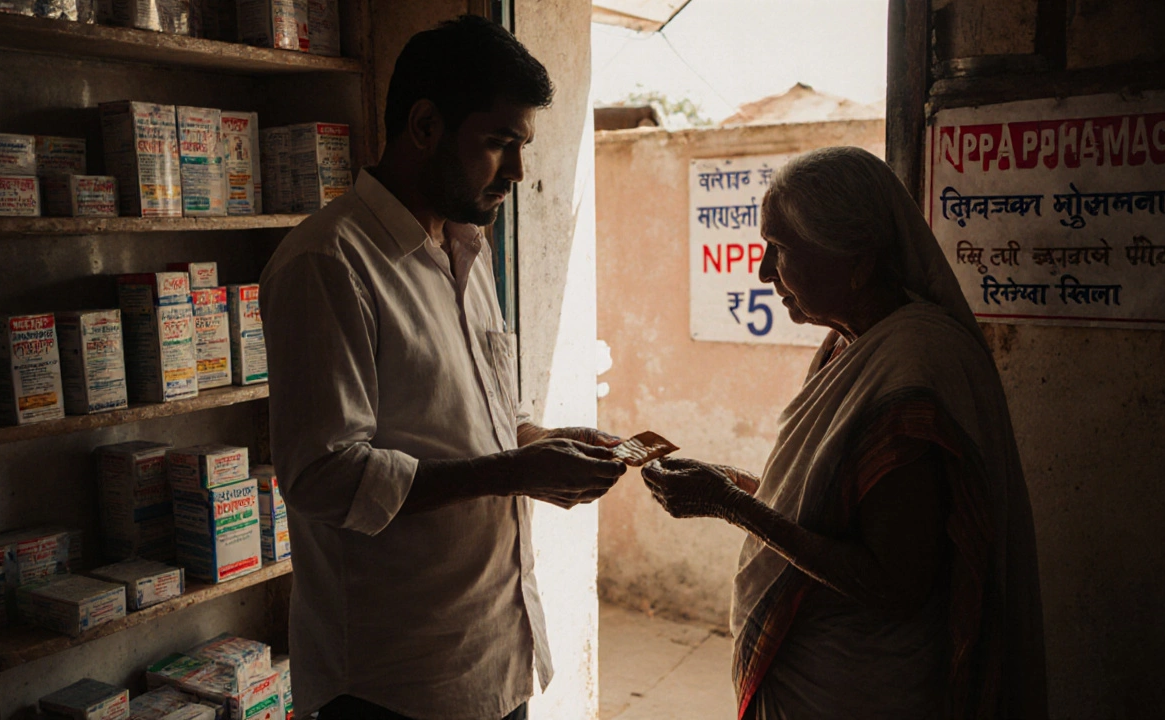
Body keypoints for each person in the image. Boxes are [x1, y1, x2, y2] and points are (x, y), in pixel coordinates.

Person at [259, 16, 626, 720]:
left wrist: (543, 440)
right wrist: (515, 474)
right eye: (498, 143)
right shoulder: (328, 263)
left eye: (522, 147)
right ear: (425, 125)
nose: (518, 172)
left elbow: (477, 420)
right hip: (393, 682)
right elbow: (324, 476)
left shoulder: (467, 248)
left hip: (495, 653)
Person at [641, 147, 1047, 719]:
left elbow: (893, 582)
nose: (761, 271)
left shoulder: (912, 367)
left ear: (855, 259)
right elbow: (847, 506)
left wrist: (731, 504)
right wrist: (735, 488)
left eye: (779, 249)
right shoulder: (847, 345)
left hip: (864, 690)